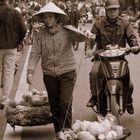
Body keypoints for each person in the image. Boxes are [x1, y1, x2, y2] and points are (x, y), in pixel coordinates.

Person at [26, 2, 85, 139]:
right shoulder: (40, 34)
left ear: (57, 17)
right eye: (45, 17)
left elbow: (82, 38)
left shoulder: (67, 31)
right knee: (55, 107)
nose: (47, 20)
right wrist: (30, 71)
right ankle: (59, 133)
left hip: (67, 71)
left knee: (65, 103)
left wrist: (84, 34)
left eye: (50, 17)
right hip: (49, 74)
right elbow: (35, 53)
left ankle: (67, 131)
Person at [85, 0, 140, 114]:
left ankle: (128, 100)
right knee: (94, 73)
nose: (112, 12)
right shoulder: (98, 24)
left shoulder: (125, 24)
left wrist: (134, 46)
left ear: (118, 10)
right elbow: (91, 38)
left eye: (114, 9)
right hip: (102, 58)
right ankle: (95, 96)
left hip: (119, 59)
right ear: (106, 10)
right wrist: (89, 49)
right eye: (110, 10)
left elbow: (131, 38)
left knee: (129, 83)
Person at [0, 0, 27, 109]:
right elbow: (23, 29)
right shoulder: (14, 12)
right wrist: (18, 41)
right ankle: (4, 99)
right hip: (11, 47)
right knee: (8, 73)